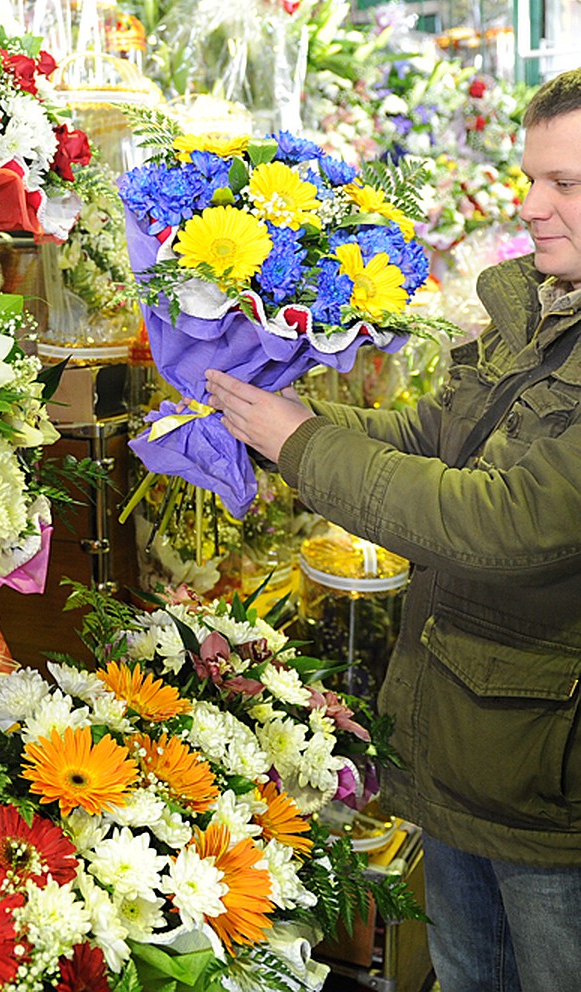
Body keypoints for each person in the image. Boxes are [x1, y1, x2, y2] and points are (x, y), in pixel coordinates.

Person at [204, 67, 581, 992]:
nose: (530, 205)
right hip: (463, 747)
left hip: (551, 792)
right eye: (529, 176)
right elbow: (426, 438)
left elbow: (508, 522)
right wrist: (275, 422)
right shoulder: (533, 314)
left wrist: (302, 443)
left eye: (564, 184)